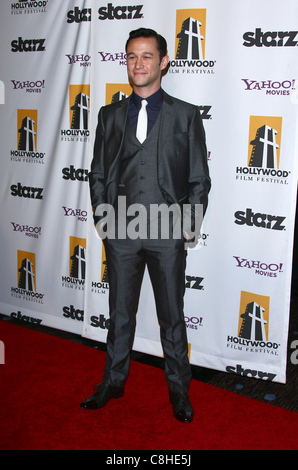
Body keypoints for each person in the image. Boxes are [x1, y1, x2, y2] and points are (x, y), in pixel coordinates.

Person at [81, 28, 211, 423]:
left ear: (164, 62)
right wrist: (105, 220)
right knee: (120, 313)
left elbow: (198, 179)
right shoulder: (109, 115)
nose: (138, 64)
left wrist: (187, 227)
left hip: (167, 232)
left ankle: (179, 390)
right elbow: (99, 173)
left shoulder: (185, 115)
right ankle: (113, 382)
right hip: (120, 231)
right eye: (132, 56)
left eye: (147, 56)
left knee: (172, 316)